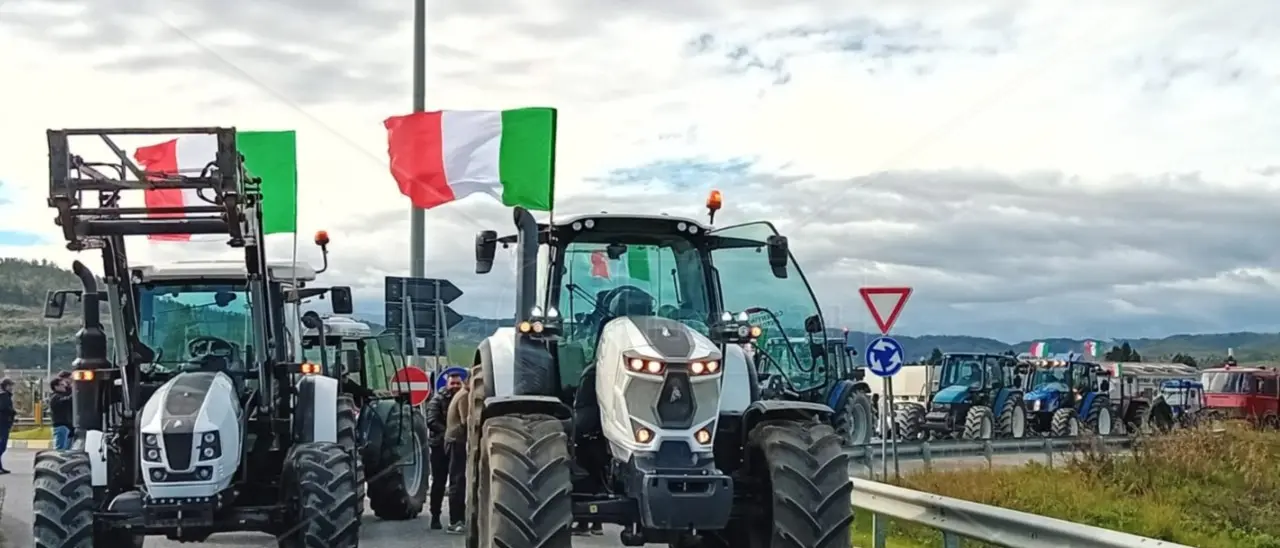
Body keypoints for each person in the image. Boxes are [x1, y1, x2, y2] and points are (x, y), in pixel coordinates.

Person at [424, 372, 464, 530]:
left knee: (458, 481)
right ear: (446, 385)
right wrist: (448, 433)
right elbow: (431, 421)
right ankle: (435, 516)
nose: (455, 386)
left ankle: (458, 518)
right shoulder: (437, 399)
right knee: (439, 483)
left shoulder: (462, 397)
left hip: (456, 446)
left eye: (457, 383)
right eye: (452, 383)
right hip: (439, 447)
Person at [443, 378, 471, 534]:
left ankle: (459, 518)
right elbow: (465, 420)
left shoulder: (461, 393)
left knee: (458, 480)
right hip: (456, 441)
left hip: (454, 441)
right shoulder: (465, 396)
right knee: (457, 481)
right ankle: (455, 521)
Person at [48, 376, 73, 450]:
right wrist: (76, 391)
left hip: (66, 427)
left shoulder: (61, 395)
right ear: (56, 387)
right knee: (60, 450)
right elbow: (67, 400)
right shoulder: (55, 397)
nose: (64, 386)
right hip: (61, 426)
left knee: (66, 450)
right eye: (62, 384)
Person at [0, 378, 15, 474]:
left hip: (4, 423)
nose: (11, 387)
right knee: (2, 446)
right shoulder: (4, 396)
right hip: (3, 424)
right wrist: (13, 412)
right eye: (10, 385)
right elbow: (4, 408)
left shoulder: (6, 396)